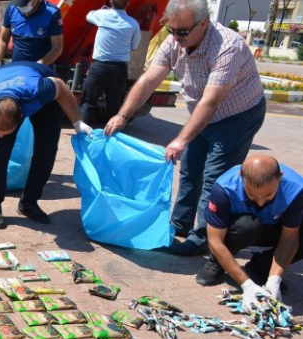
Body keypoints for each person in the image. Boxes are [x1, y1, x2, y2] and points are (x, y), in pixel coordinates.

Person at [104, 0, 266, 257]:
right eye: (171, 30)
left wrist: (180, 140)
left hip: (237, 116)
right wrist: (123, 115)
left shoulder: (228, 46)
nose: (176, 37)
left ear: (203, 24)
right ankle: (180, 223)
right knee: (190, 170)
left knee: (215, 180)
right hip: (202, 113)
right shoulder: (174, 42)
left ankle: (203, 237)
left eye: (182, 32)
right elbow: (148, 80)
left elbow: (211, 101)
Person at [0, 62, 92, 228]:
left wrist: (77, 122)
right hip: (8, 80)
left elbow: (61, 86)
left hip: (44, 88)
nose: (0, 134)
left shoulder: (38, 91)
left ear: (21, 116)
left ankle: (29, 203)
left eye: (7, 131)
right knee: (0, 150)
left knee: (46, 148)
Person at [195, 156, 303, 311]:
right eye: (251, 195)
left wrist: (275, 278)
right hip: (240, 230)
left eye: (268, 195)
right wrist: (246, 284)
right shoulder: (223, 188)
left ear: (280, 177)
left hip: (275, 227)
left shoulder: (297, 190)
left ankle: (261, 268)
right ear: (241, 177)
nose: (260, 202)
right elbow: (215, 240)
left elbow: (290, 237)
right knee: (247, 226)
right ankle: (217, 263)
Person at [80, 0, 141, 127]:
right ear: (128, 3)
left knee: (88, 103)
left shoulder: (102, 15)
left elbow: (88, 16)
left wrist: (103, 10)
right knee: (115, 106)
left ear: (111, 2)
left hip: (99, 67)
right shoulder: (133, 24)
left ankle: (83, 138)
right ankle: (112, 137)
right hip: (119, 69)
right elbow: (134, 46)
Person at [0, 0, 63, 70]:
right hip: (17, 69)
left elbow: (57, 47)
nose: (20, 7)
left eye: (23, 5)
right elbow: (3, 39)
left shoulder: (52, 13)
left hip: (41, 71)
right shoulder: (12, 9)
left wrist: (41, 63)